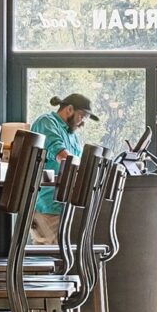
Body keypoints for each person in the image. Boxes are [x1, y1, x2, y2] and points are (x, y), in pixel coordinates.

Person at [30, 90, 93, 241]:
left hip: (65, 204)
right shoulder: (46, 122)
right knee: (51, 250)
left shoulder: (73, 136)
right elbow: (62, 156)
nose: (82, 122)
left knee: (58, 251)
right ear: (69, 109)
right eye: (81, 116)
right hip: (47, 204)